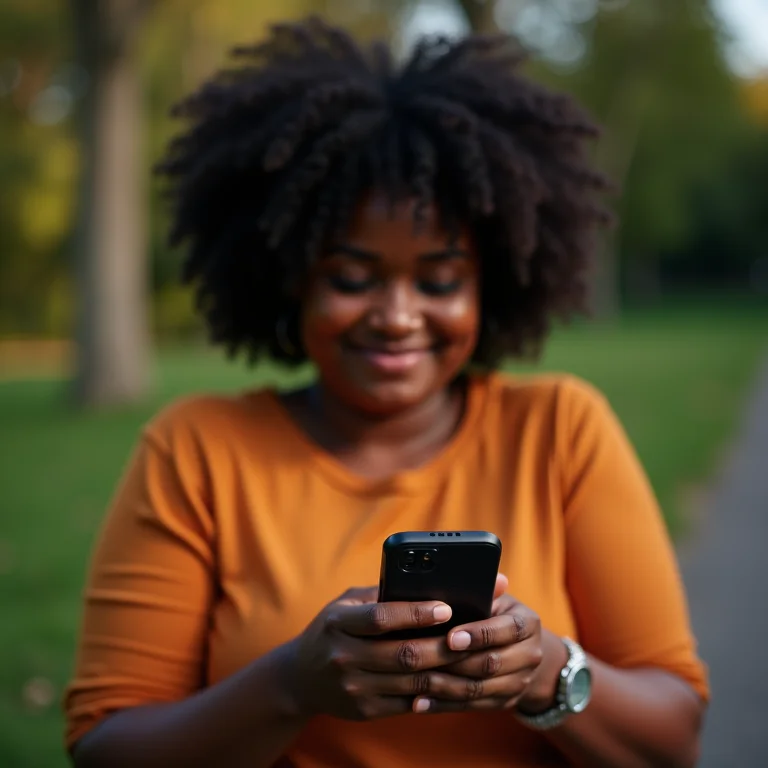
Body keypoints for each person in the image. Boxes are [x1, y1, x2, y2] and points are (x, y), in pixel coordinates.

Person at [64, 18, 708, 768]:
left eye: (438, 280)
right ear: (290, 277)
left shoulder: (563, 428)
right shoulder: (195, 450)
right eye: (352, 277)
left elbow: (674, 742)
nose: (398, 317)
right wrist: (290, 684)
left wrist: (542, 671)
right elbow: (106, 747)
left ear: (490, 284)